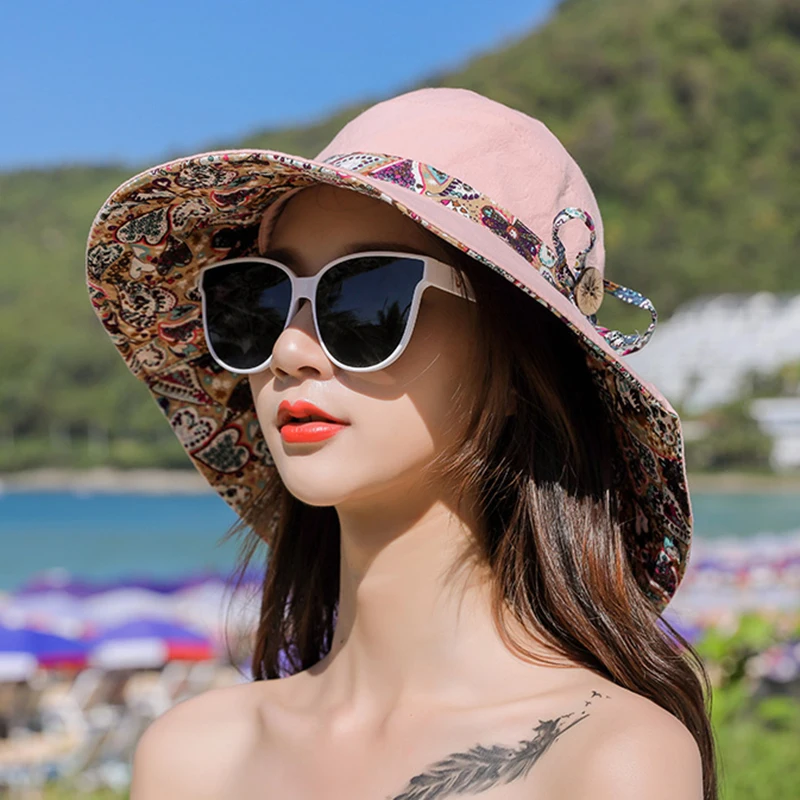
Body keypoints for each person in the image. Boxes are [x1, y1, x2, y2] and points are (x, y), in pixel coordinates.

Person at [86, 88, 715, 799]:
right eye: (258, 300)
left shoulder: (609, 761)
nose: (289, 349)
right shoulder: (192, 758)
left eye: (364, 299)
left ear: (517, 361)